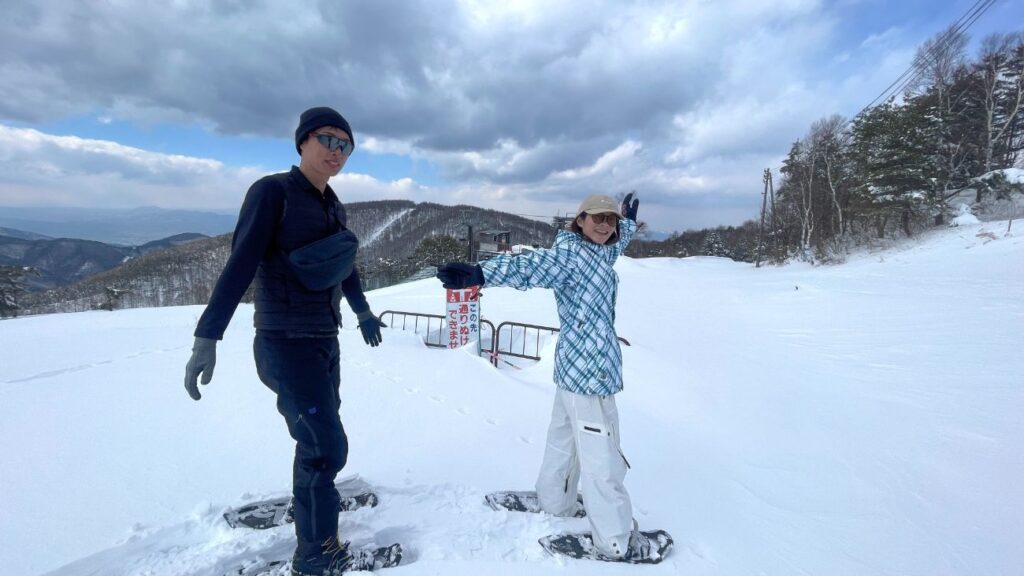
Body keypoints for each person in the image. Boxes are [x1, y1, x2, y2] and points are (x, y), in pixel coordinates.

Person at [183, 106, 387, 576]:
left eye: (346, 144)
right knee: (325, 446)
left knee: (317, 439)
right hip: (284, 341)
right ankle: (316, 553)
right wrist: (207, 335)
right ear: (303, 142)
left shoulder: (331, 202)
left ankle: (313, 517)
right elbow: (240, 264)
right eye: (328, 140)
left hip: (322, 341)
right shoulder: (272, 192)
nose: (337, 151)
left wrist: (362, 312)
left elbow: (343, 266)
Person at [436, 192, 652, 562]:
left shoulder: (603, 251)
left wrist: (627, 224)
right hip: (591, 373)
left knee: (563, 439)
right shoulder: (570, 256)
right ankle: (614, 540)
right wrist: (482, 273)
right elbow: (533, 266)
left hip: (574, 369)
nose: (604, 225)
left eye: (610, 220)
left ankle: (555, 502)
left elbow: (617, 244)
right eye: (596, 218)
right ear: (579, 220)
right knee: (602, 455)